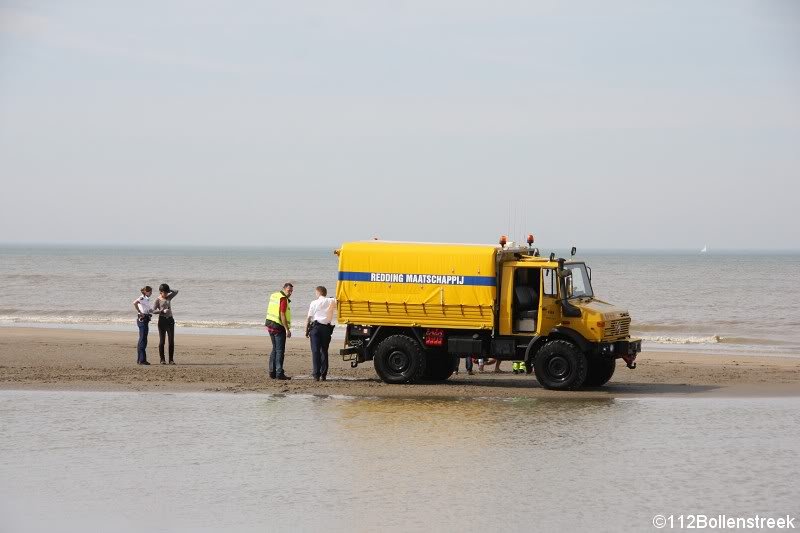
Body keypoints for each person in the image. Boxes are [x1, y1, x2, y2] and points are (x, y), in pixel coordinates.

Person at [306, 286, 335, 381]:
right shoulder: (331, 301)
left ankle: (316, 375)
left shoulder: (314, 302)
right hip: (326, 328)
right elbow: (339, 300)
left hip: (315, 328)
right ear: (325, 293)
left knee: (315, 351)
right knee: (324, 351)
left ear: (318, 292)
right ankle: (323, 374)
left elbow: (309, 318)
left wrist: (306, 330)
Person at [265, 283, 293, 380]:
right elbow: (282, 315)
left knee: (275, 349)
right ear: (284, 289)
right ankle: (279, 373)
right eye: (288, 290)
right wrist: (287, 329)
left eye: (291, 291)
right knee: (280, 351)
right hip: (278, 327)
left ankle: (272, 372)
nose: (290, 293)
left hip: (270, 325)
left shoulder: (274, 295)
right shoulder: (283, 299)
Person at [151, 283, 179, 365]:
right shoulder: (157, 300)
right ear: (160, 292)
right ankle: (162, 359)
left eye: (167, 292)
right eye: (165, 292)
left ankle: (171, 360)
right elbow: (153, 311)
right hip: (162, 321)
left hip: (170, 320)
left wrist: (169, 289)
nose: (166, 294)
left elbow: (176, 291)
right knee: (162, 341)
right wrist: (162, 311)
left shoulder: (168, 297)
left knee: (171, 341)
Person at [132, 286, 153, 365]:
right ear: (146, 292)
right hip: (142, 319)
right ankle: (142, 360)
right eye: (150, 292)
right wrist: (140, 312)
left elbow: (147, 309)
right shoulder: (142, 298)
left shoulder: (146, 299)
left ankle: (140, 359)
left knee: (143, 339)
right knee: (143, 339)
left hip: (145, 318)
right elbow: (135, 303)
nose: (151, 293)